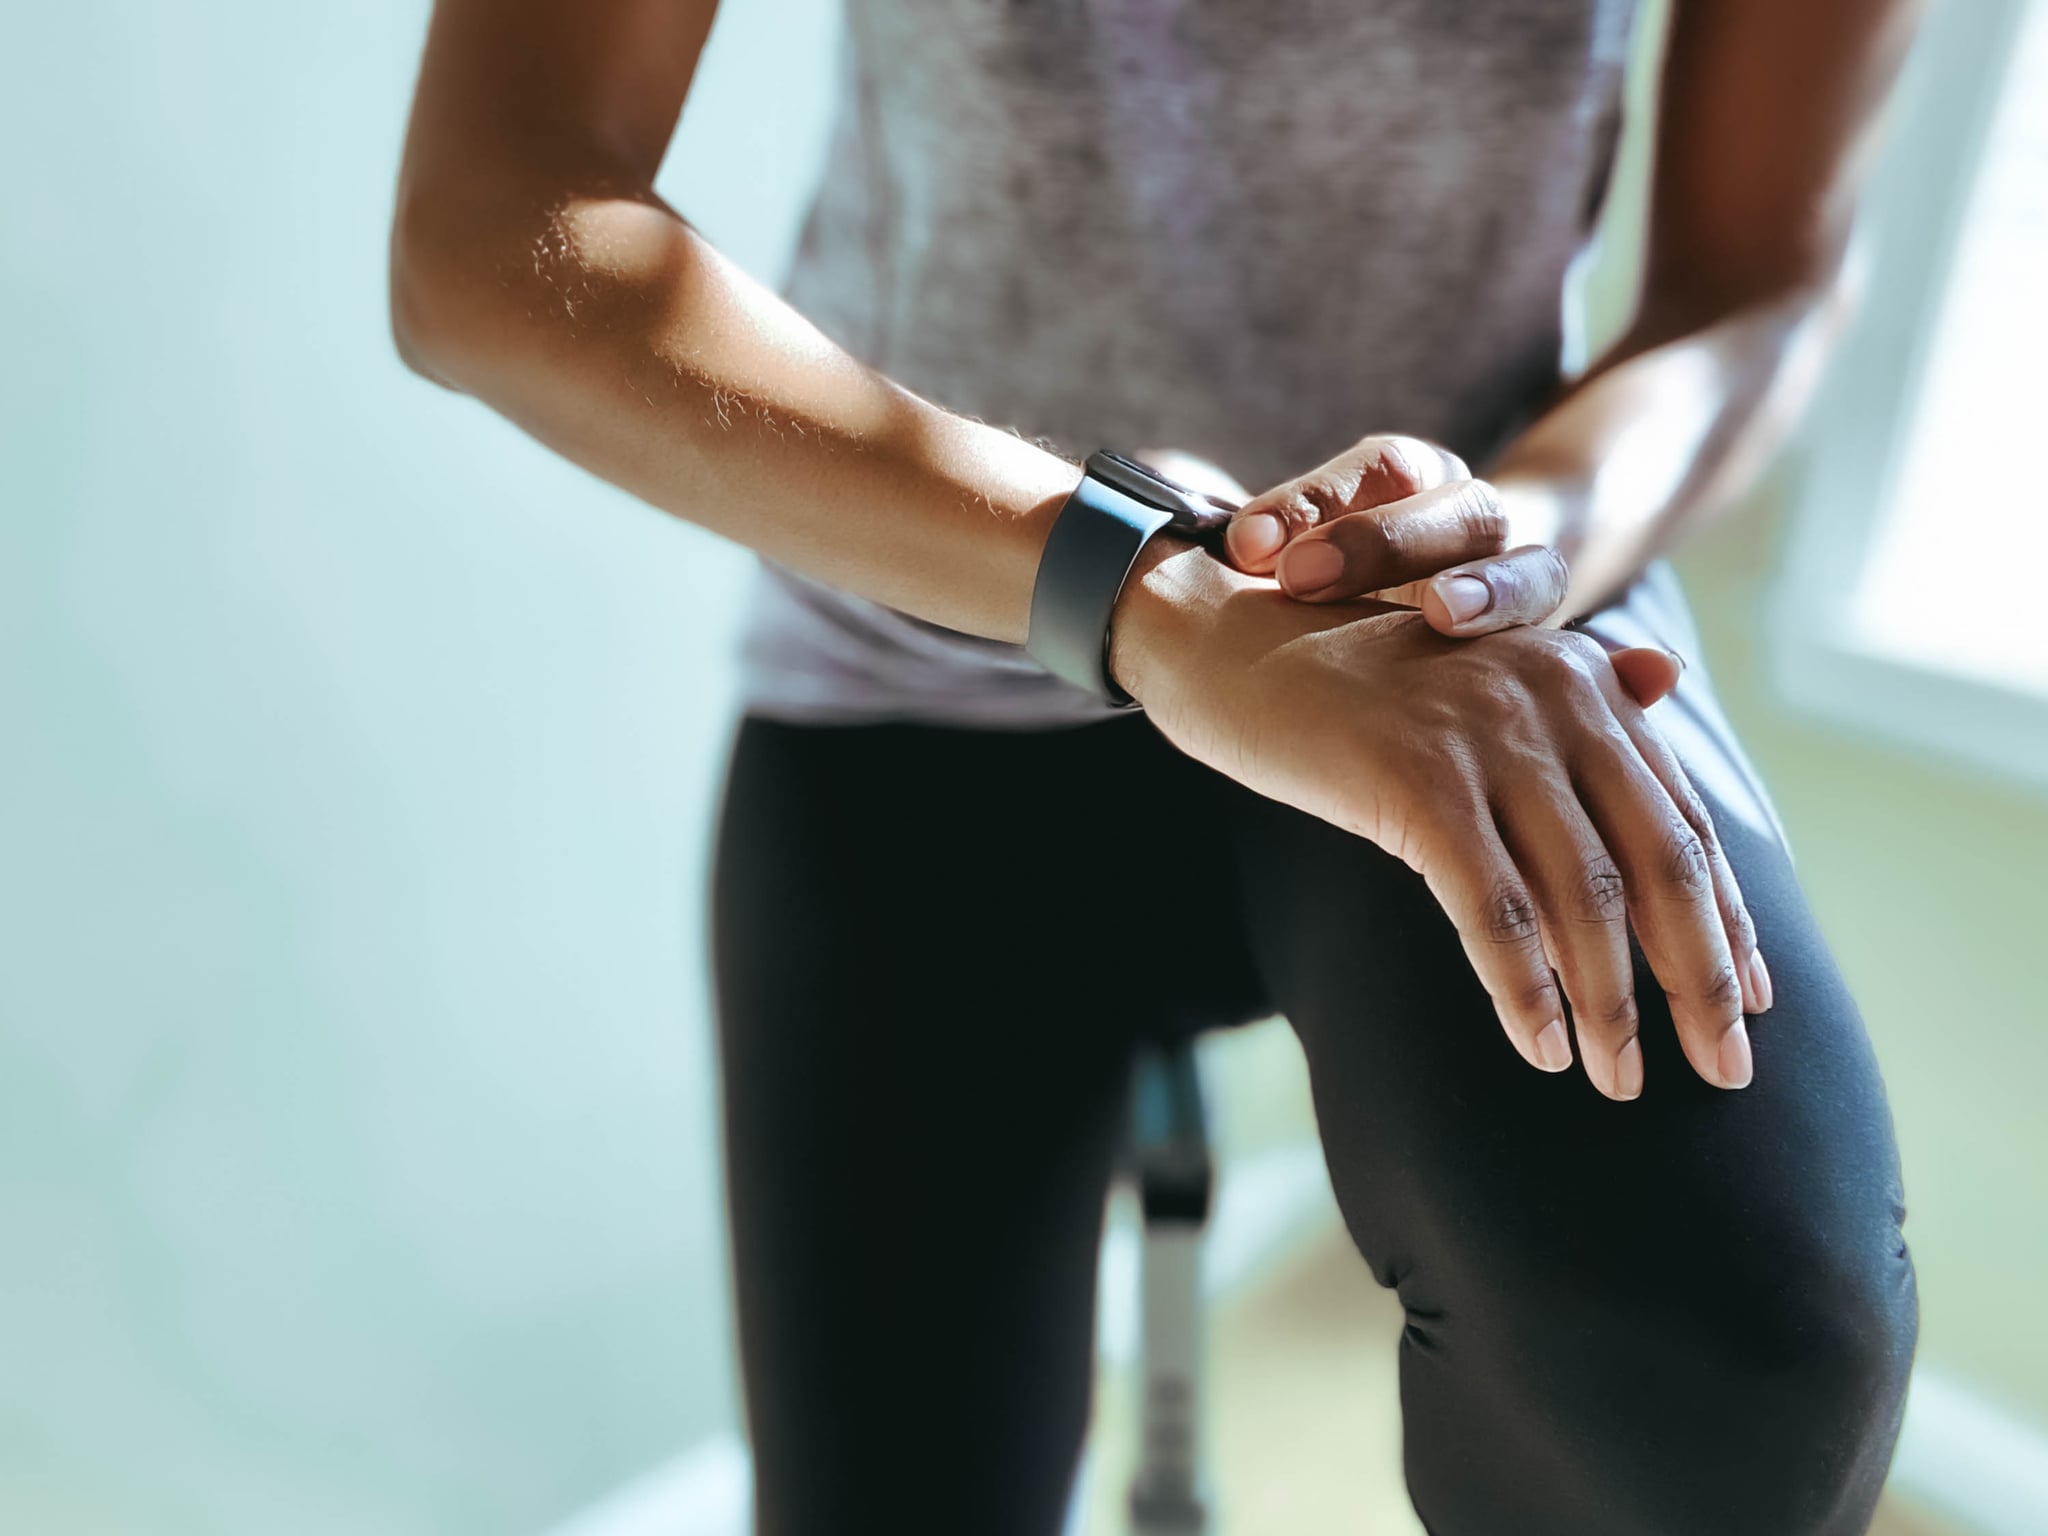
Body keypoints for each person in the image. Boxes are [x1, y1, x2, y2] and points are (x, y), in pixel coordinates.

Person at [390, 1, 1924, 1531]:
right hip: (930, 667)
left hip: (1469, 638)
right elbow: (493, 223)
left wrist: (1502, 554)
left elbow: (1757, 277)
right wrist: (1147, 587)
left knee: (1725, 1353)